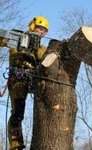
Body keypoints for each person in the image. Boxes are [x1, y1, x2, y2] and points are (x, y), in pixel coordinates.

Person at [0, 16, 49, 150]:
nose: (42, 32)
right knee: (18, 111)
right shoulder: (17, 38)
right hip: (18, 79)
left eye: (44, 31)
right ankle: (16, 144)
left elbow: (46, 60)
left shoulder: (41, 47)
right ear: (32, 26)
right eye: (40, 28)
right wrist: (13, 39)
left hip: (34, 80)